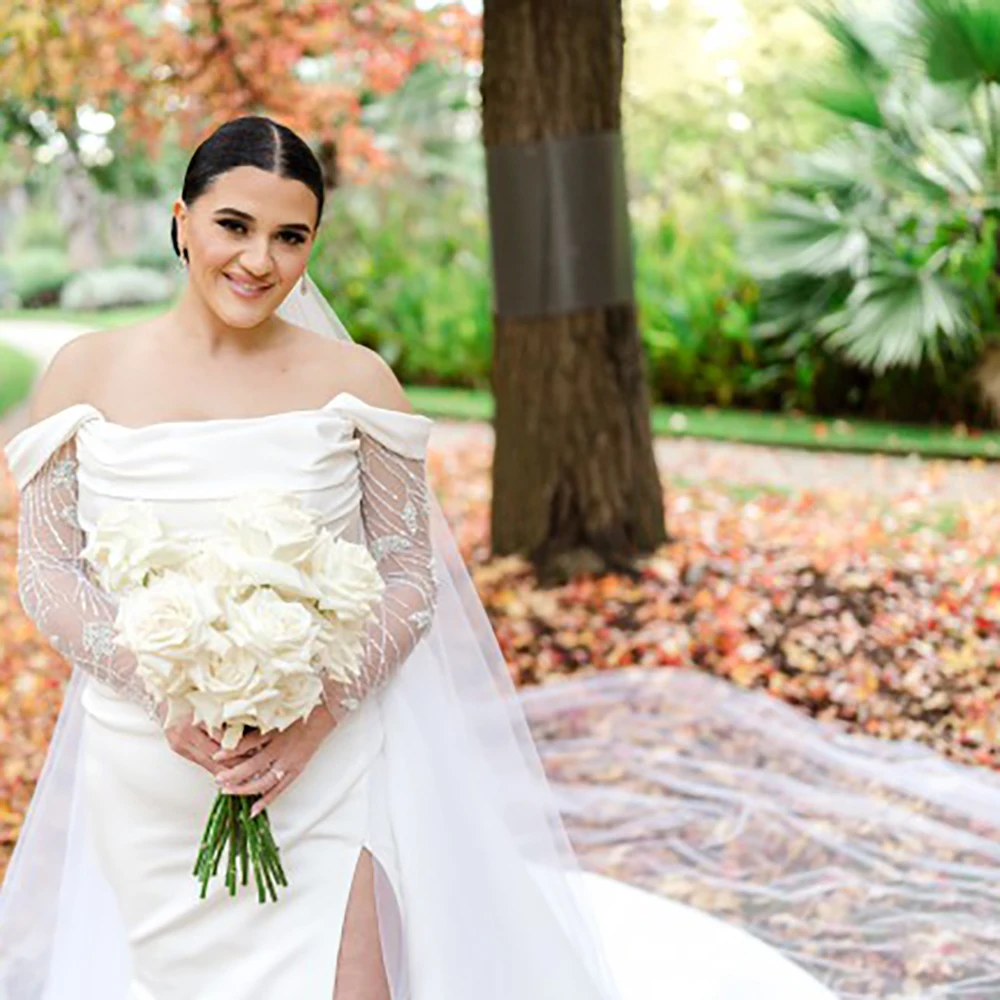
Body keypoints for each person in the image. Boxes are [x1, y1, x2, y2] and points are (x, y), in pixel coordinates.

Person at [0, 115, 624, 1000]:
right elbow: (50, 574)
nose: (259, 261)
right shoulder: (84, 374)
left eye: (289, 237)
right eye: (233, 226)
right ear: (182, 219)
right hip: (151, 763)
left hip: (328, 761)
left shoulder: (356, 382)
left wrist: (318, 712)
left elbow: (412, 577)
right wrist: (163, 686)